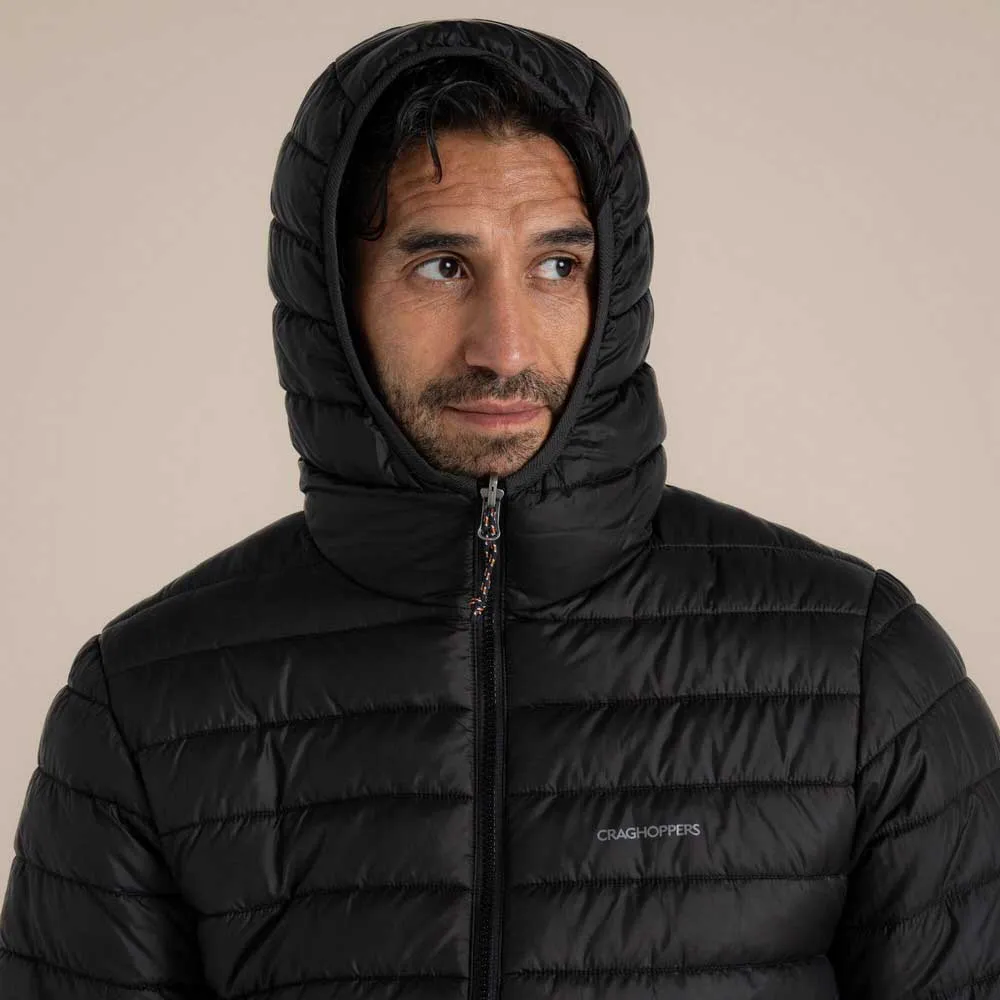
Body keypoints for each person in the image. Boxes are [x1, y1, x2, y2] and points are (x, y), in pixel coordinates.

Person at [1, 17, 998, 1000]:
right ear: (333, 301)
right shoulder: (145, 706)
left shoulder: (862, 670)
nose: (505, 347)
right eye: (442, 267)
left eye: (557, 266)